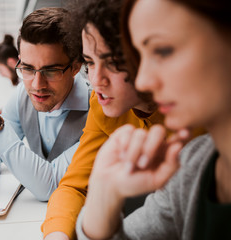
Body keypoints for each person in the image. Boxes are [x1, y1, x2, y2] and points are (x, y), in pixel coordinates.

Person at [76, 0, 231, 239]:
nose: (143, 80)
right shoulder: (194, 168)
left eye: (163, 50)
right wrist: (102, 195)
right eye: (138, 55)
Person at [42, 0, 168, 239]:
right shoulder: (102, 106)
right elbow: (73, 186)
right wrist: (57, 234)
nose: (96, 80)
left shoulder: (196, 113)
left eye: (112, 63)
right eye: (89, 62)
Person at [0, 7, 90, 201]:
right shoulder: (23, 93)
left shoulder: (97, 109)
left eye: (51, 70)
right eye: (28, 69)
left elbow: (50, 185)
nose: (37, 85)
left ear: (75, 67)